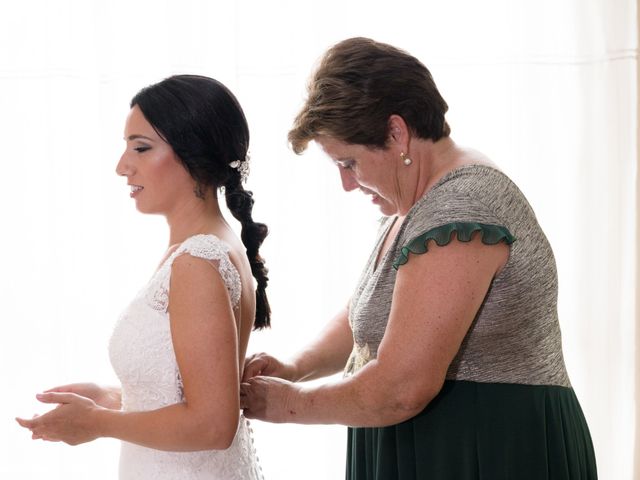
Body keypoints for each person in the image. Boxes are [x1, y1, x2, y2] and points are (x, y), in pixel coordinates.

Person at [240, 37, 597, 479]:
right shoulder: (418, 205)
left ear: (396, 132)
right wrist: (297, 367)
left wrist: (287, 404)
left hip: (483, 447)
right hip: (440, 442)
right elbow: (371, 313)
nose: (348, 185)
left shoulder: (461, 207)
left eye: (349, 163)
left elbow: (400, 388)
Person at [16, 74, 269, 480]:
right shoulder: (205, 249)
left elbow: (212, 424)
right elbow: (186, 393)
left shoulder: (197, 262)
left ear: (193, 153)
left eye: (141, 147)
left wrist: (97, 423)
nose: (122, 166)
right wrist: (111, 399)